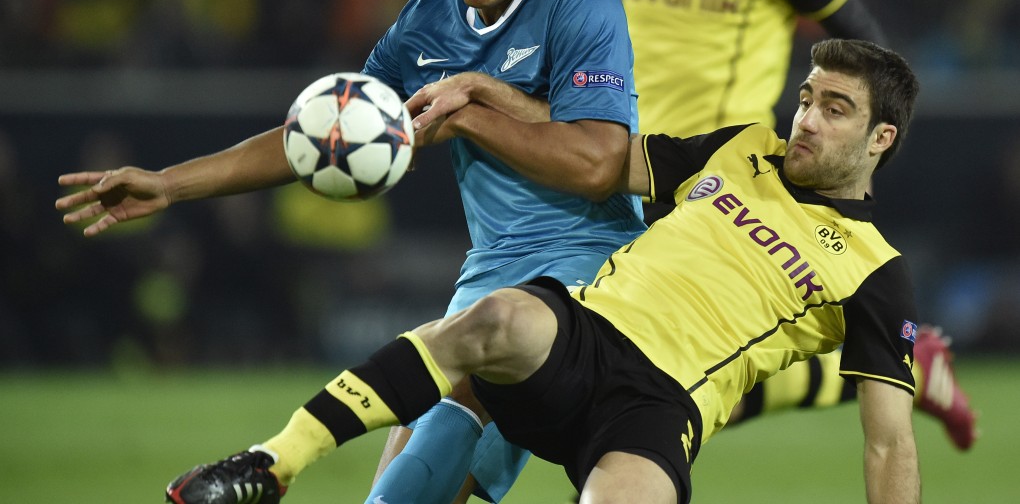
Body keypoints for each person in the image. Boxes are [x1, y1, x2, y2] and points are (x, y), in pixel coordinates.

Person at [55, 0, 646, 504]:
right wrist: (170, 184)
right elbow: (325, 137)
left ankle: (274, 461)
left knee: (461, 409)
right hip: (490, 273)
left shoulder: (581, 3)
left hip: (590, 275)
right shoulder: (424, 22)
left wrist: (475, 110)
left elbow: (598, 163)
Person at [160, 38, 924, 504]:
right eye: (806, 98)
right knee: (495, 318)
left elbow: (888, 443)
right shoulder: (743, 148)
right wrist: (491, 96)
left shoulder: (875, 272)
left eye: (835, 109)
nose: (807, 119)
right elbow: (597, 158)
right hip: (585, 333)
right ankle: (272, 462)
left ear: (881, 136)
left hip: (661, 408)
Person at [619, 0, 975, 450]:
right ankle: (913, 367)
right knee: (662, 373)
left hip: (721, 182)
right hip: (637, 162)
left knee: (660, 382)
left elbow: (868, 48)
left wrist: (854, 149)